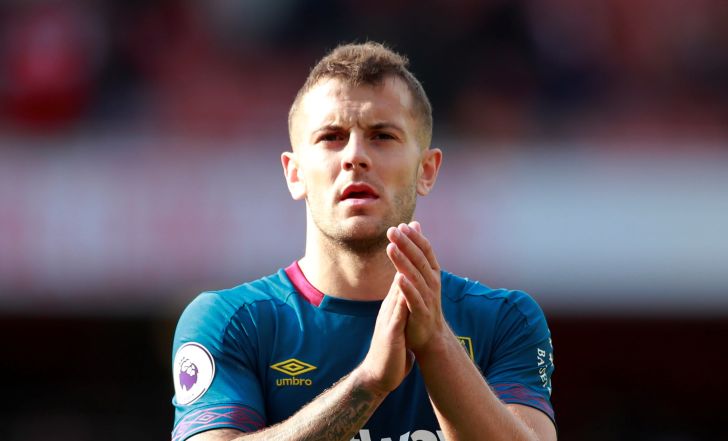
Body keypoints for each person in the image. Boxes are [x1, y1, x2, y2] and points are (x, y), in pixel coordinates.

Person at [171, 42, 556, 441]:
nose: (355, 156)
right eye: (332, 137)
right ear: (294, 173)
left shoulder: (503, 320)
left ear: (426, 170)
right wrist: (367, 383)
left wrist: (436, 344)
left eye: (382, 136)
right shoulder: (230, 321)